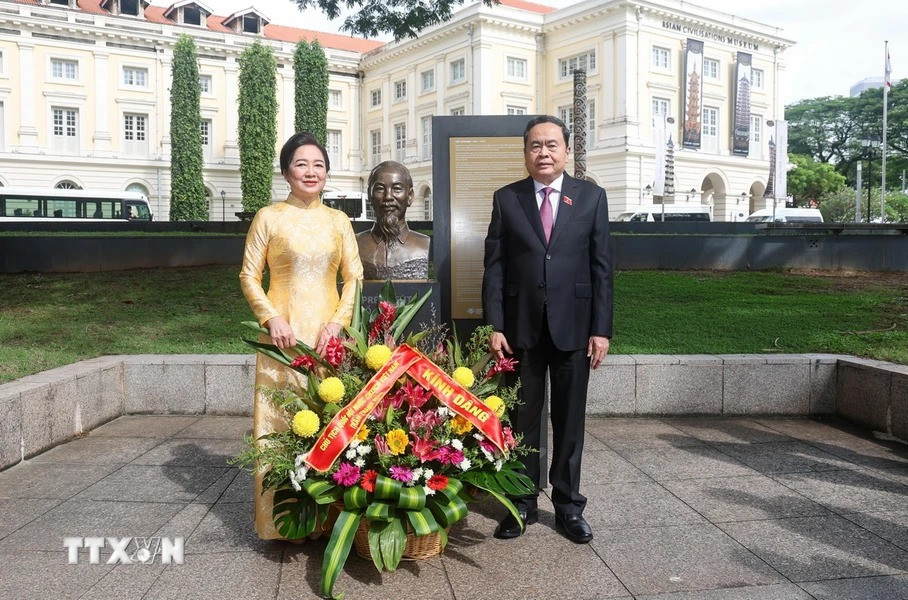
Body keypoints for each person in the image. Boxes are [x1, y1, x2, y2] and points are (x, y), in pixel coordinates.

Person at [482, 115, 613, 544]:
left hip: (575, 329)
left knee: (570, 420)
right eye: (535, 145)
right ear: (525, 153)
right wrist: (494, 324)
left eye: (552, 145)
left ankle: (568, 505)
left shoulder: (591, 198)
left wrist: (601, 329)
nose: (544, 153)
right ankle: (521, 503)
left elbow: (602, 270)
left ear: (566, 150)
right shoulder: (507, 199)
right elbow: (495, 268)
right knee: (523, 419)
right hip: (521, 329)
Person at [239, 131, 364, 540]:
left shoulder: (338, 220)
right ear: (287, 172)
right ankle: (282, 524)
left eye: (319, 165)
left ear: (326, 173)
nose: (311, 172)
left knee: (331, 422)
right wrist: (270, 318)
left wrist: (338, 323)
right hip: (283, 338)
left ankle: (329, 520)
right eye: (301, 164)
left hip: (329, 338)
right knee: (282, 421)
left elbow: (355, 277)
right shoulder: (269, 217)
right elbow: (248, 276)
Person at [356, 161, 431, 279]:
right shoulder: (355, 244)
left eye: (397, 189)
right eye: (380, 189)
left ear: (410, 196)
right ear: (370, 196)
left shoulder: (424, 244)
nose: (388, 197)